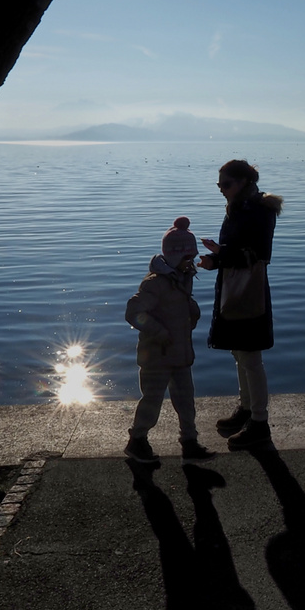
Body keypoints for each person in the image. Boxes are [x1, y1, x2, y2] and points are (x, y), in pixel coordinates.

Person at [199, 159, 283, 450]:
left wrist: (220, 255)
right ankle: (246, 409)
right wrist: (216, 259)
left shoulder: (259, 211)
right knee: (239, 353)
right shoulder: (240, 206)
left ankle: (259, 422)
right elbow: (238, 252)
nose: (222, 190)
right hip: (235, 286)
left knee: (250, 357)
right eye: (219, 185)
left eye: (226, 184)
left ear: (244, 182)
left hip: (249, 291)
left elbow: (255, 255)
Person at [124, 216, 213, 463]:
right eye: (188, 257)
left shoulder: (181, 279)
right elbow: (134, 312)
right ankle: (137, 440)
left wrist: (193, 310)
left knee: (186, 400)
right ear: (175, 257)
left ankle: (189, 441)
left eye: (193, 256)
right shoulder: (156, 284)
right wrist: (160, 333)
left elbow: (177, 308)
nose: (193, 261)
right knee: (152, 401)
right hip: (157, 355)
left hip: (180, 353)